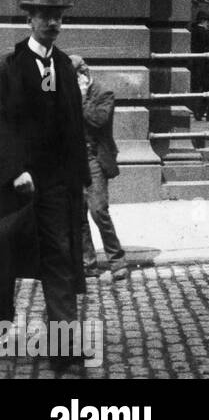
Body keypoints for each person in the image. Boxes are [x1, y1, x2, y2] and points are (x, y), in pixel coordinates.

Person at [0, 0, 93, 371]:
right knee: (5, 263)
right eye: (45, 15)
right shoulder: (10, 67)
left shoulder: (65, 68)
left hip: (56, 187)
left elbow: (73, 128)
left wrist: (80, 182)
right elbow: (2, 125)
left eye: (58, 16)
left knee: (59, 261)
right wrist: (15, 169)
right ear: (29, 19)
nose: (52, 22)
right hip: (17, 187)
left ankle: (64, 351)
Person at [70, 56, 127, 281]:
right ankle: (88, 265)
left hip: (94, 158)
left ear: (83, 74)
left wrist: (80, 98)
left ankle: (118, 261)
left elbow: (97, 120)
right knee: (77, 214)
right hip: (72, 160)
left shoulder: (104, 93)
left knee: (98, 210)